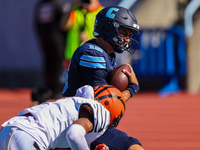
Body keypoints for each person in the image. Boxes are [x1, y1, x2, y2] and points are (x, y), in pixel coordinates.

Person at [62, 6, 144, 150]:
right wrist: (132, 88)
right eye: (123, 32)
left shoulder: (105, 52)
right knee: (131, 146)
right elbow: (106, 103)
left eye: (129, 34)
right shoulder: (92, 54)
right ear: (107, 29)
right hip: (77, 122)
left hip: (87, 119)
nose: (126, 38)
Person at [0, 85, 125, 150]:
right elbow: (74, 134)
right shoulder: (99, 112)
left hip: (9, 128)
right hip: (31, 135)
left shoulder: (72, 103)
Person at [34, 0, 69, 98]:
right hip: (58, 40)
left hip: (45, 39)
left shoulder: (41, 4)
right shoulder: (59, 4)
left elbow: (36, 24)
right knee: (58, 65)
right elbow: (65, 23)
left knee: (49, 65)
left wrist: (41, 38)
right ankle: (57, 91)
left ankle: (49, 90)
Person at [60, 0, 103, 70]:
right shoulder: (75, 10)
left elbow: (105, 39)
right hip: (72, 56)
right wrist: (73, 5)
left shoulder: (102, 13)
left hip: (91, 58)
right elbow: (64, 26)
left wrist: (88, 40)